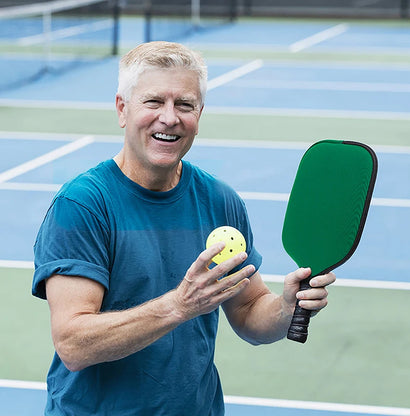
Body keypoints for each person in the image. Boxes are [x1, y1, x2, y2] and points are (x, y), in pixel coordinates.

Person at [32, 41, 336, 415]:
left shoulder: (220, 200)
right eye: (154, 101)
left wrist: (286, 307)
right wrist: (179, 305)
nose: (170, 118)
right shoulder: (82, 206)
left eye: (185, 105)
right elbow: (74, 345)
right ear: (122, 109)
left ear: (200, 113)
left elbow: (249, 312)